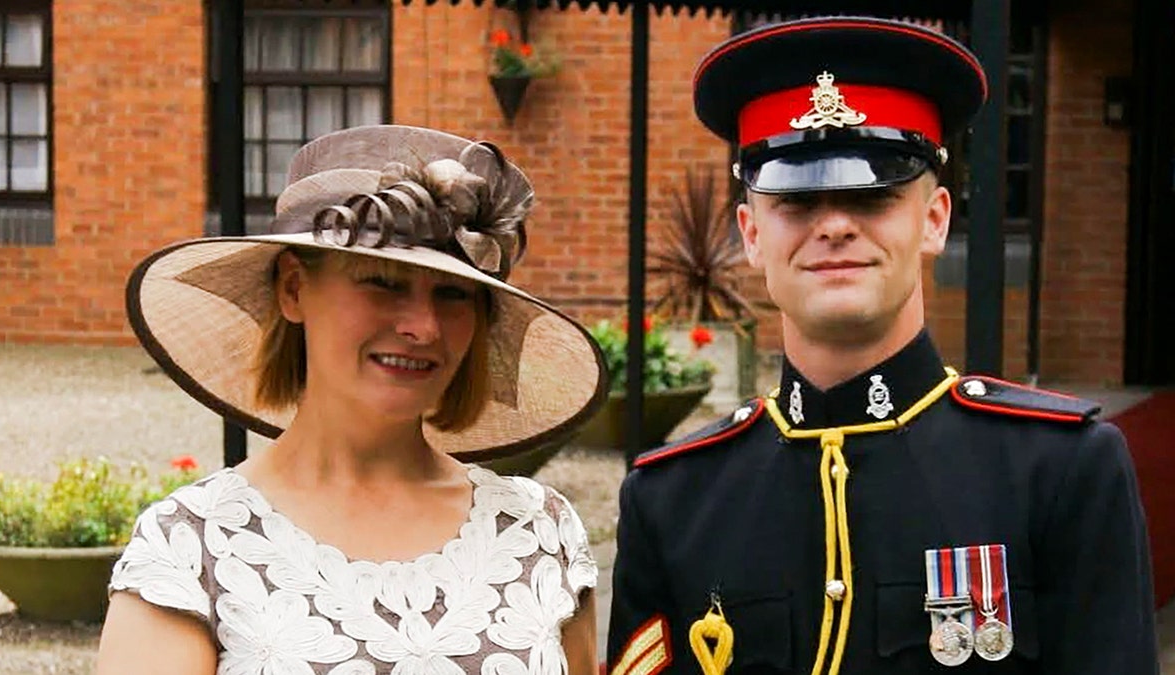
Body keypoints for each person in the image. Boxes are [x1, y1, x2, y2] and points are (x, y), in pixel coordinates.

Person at [607, 16, 1157, 675]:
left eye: (873, 196)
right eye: (797, 201)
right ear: (751, 234)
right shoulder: (673, 499)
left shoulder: (1060, 472)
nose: (835, 224)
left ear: (933, 219)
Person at [97, 125, 607, 675]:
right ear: (294, 289)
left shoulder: (538, 533)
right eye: (383, 282)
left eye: (453, 293)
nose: (423, 326)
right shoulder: (193, 551)